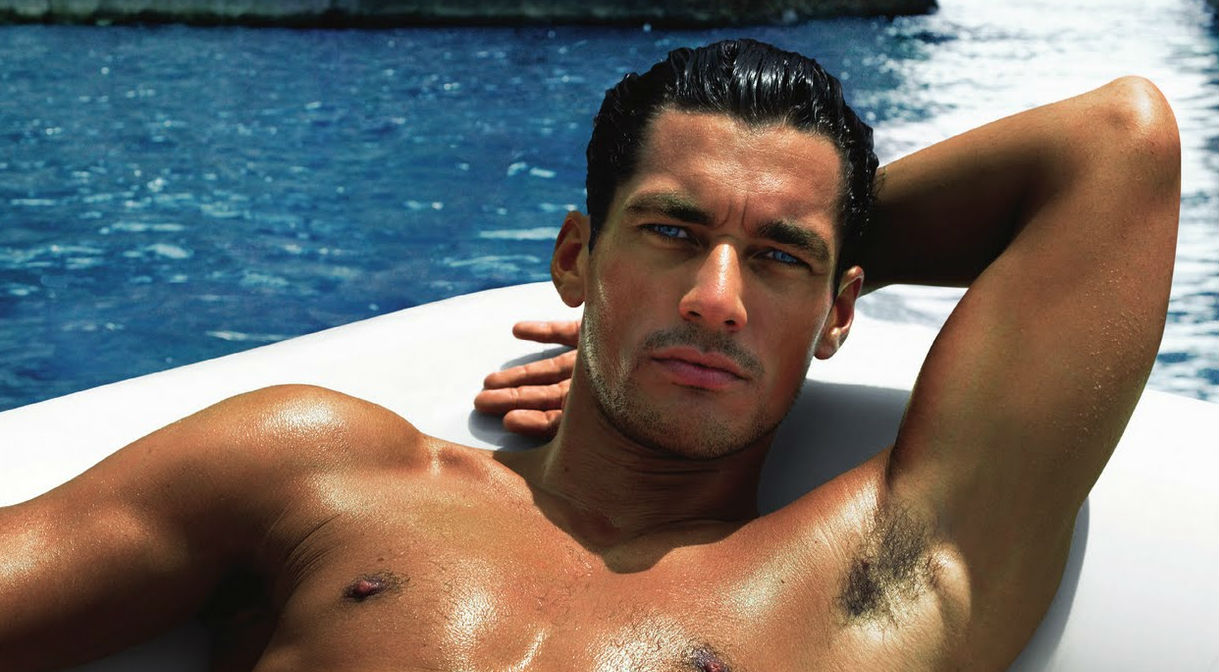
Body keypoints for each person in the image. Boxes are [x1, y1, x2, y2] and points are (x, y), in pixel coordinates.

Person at [0, 39, 1179, 671]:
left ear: (837, 315)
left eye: (779, 262)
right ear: (575, 258)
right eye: (670, 234)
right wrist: (751, 268)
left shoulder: (873, 579)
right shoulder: (321, 469)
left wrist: (771, 252)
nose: (716, 301)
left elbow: (1115, 146)